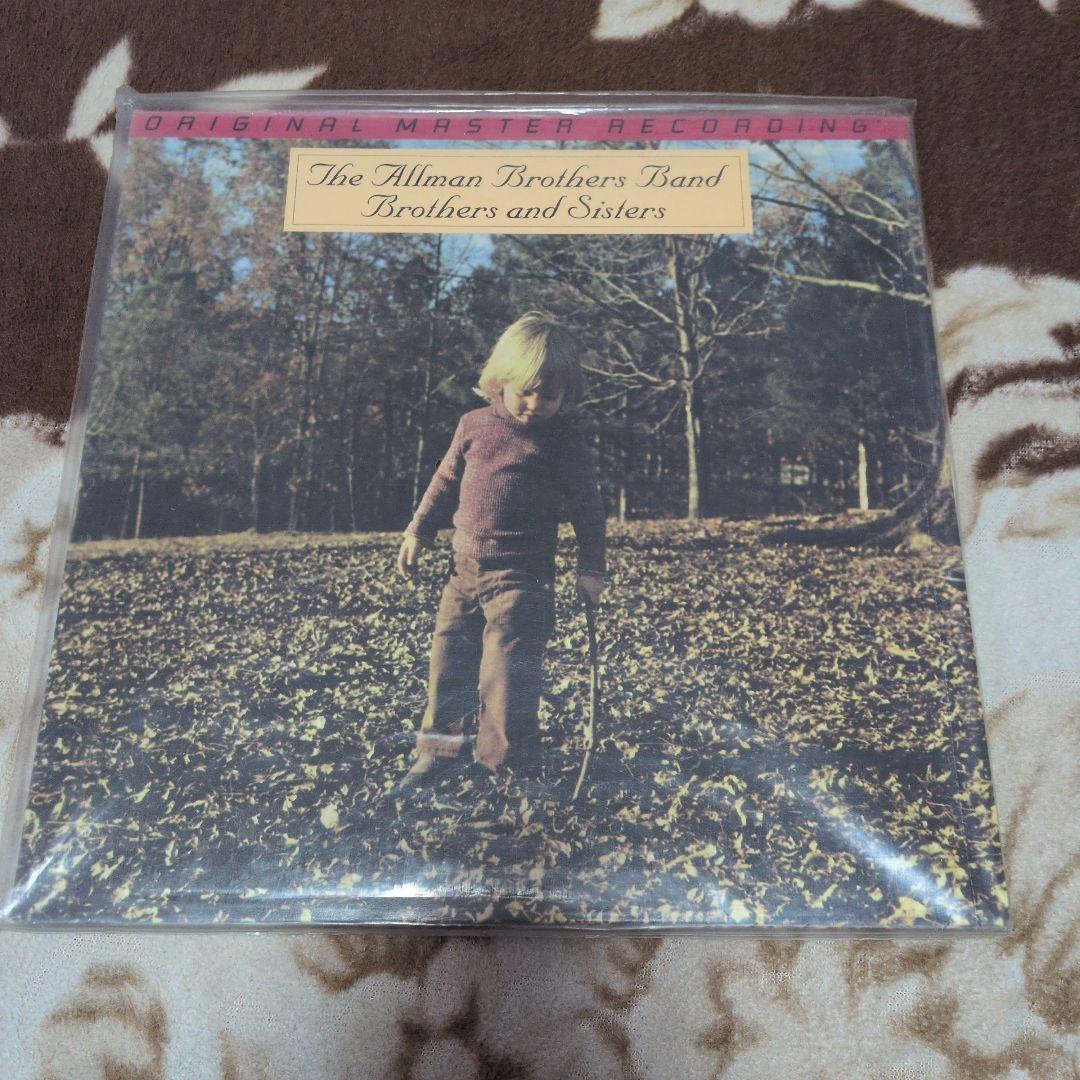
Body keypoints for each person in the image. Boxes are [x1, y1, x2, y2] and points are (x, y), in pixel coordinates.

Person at [396, 311, 606, 789]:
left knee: (506, 677)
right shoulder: (473, 425)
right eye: (525, 391)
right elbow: (444, 481)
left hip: (523, 580)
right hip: (463, 573)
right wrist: (417, 531)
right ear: (501, 380)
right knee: (448, 663)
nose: (534, 405)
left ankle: (503, 769)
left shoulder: (564, 443)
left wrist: (592, 568)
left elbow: (588, 510)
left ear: (566, 395)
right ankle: (438, 752)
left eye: (549, 396)